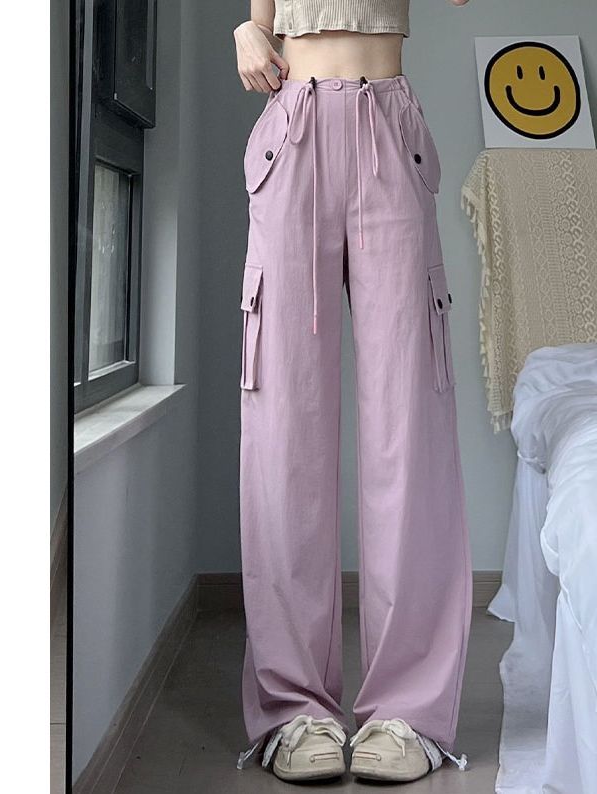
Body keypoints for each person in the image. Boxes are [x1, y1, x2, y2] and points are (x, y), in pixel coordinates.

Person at [233, 0, 473, 783]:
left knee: (409, 425)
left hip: (386, 120)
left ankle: (409, 710)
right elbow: (262, 21)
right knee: (284, 432)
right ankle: (292, 708)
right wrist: (246, 31)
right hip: (293, 129)